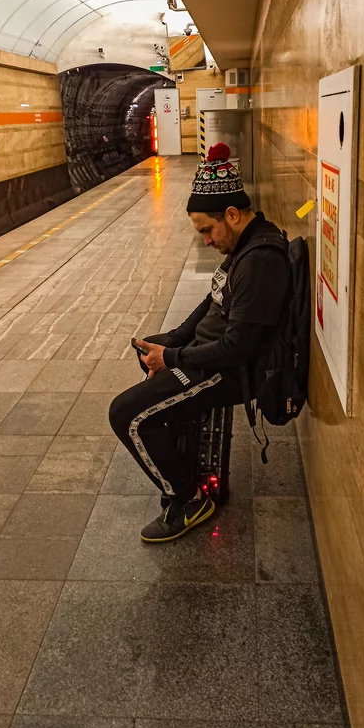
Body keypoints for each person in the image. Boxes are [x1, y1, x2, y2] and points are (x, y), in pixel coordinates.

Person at [108, 144, 289, 543]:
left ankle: (188, 498)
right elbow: (212, 300)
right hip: (210, 355)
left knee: (126, 414)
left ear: (232, 215)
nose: (206, 241)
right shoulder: (244, 244)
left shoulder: (260, 261)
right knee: (149, 350)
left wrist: (173, 356)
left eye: (207, 230)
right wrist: (169, 342)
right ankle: (180, 453)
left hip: (228, 372)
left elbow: (238, 349)